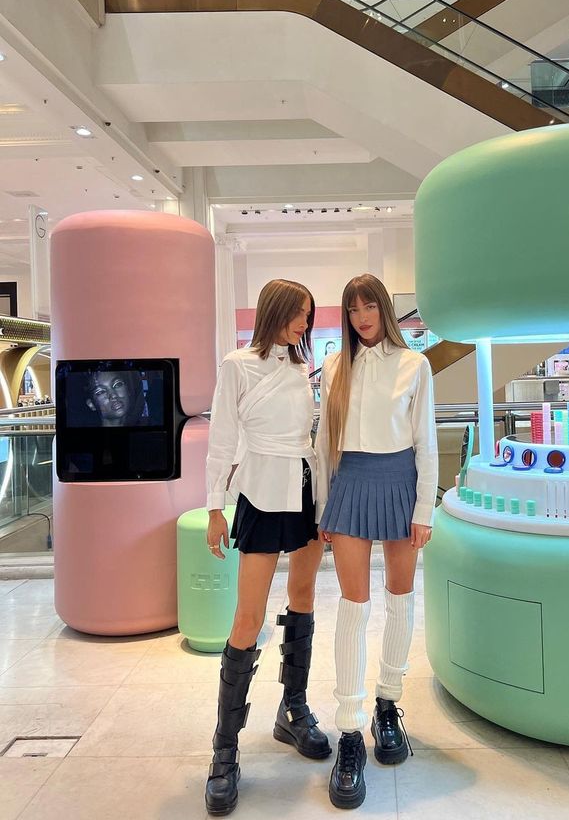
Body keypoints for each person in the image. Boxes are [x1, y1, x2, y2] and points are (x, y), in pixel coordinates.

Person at [205, 279, 330, 817]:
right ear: (274, 312)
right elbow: (223, 438)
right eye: (299, 314)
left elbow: (313, 436)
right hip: (258, 489)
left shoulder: (303, 368)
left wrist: (325, 501)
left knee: (303, 596)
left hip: (303, 488)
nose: (305, 323)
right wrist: (215, 507)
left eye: (307, 314)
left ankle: (293, 709)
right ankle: (224, 750)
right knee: (247, 617)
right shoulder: (238, 364)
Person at [315, 274, 438, 809]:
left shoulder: (416, 364)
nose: (362, 316)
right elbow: (324, 441)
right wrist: (323, 504)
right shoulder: (336, 364)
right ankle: (349, 730)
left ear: (384, 310)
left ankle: (389, 705)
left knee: (400, 597)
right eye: (353, 308)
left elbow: (425, 439)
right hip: (349, 483)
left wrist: (424, 508)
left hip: (400, 482)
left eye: (370, 306)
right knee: (352, 606)